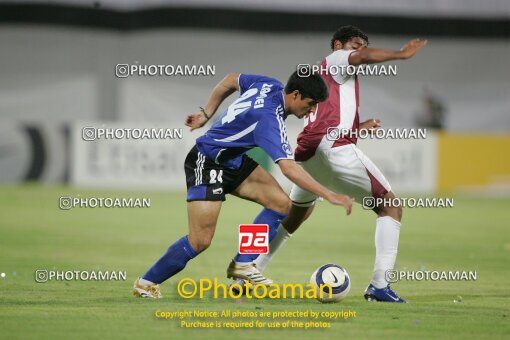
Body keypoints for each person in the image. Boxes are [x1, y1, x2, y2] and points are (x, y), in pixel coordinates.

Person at [232, 26, 427, 303]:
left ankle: (247, 273)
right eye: (355, 44)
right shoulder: (336, 60)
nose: (359, 50)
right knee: (390, 206)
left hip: (309, 153)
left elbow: (325, 121)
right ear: (338, 44)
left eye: (363, 45)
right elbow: (362, 58)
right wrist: (401, 54)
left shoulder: (329, 80)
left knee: (292, 215)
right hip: (332, 150)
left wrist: (357, 127)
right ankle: (379, 286)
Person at [133, 71, 354, 298]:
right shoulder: (269, 119)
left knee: (280, 204)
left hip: (233, 161)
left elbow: (230, 80)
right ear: (296, 94)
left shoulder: (269, 83)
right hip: (207, 162)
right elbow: (289, 168)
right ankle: (146, 283)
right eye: (311, 103)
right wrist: (330, 195)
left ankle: (243, 265)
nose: (313, 110)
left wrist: (206, 113)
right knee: (200, 241)